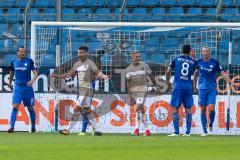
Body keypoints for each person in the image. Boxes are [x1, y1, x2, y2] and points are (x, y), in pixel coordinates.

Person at [52, 45, 108, 136]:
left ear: (86, 53)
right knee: (87, 110)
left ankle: (67, 129)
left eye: (81, 53)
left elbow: (98, 72)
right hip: (81, 90)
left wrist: (104, 76)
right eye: (78, 53)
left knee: (76, 108)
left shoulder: (90, 63)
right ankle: (96, 130)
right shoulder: (77, 64)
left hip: (87, 90)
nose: (79, 54)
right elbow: (69, 75)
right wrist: (58, 76)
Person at [193, 46, 236, 136]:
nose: (205, 52)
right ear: (202, 52)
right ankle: (204, 131)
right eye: (204, 51)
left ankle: (211, 123)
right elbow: (195, 73)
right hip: (202, 89)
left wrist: (230, 81)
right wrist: (194, 86)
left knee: (211, 107)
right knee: (202, 109)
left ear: (209, 52)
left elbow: (222, 73)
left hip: (212, 88)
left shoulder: (215, 62)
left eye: (207, 51)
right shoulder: (198, 62)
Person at [126, 50, 159, 136]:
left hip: (143, 90)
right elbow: (129, 85)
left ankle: (136, 129)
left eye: (139, 57)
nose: (138, 58)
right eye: (136, 57)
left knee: (138, 108)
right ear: (132, 57)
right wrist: (130, 97)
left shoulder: (144, 66)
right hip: (135, 92)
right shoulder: (128, 69)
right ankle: (147, 130)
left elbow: (151, 76)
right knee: (141, 110)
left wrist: (155, 85)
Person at [165, 44, 196, 136]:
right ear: (190, 51)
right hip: (188, 87)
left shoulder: (176, 59)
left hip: (178, 86)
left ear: (181, 50)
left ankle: (176, 132)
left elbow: (167, 72)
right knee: (188, 109)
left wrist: (167, 81)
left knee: (175, 108)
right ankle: (188, 132)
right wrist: (193, 57)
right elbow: (196, 71)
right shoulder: (192, 61)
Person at [8, 46, 38, 133]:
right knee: (15, 106)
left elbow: (36, 72)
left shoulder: (29, 61)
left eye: (24, 51)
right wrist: (10, 83)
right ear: (18, 53)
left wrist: (32, 81)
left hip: (27, 88)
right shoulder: (13, 62)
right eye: (21, 51)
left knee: (30, 108)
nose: (23, 53)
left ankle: (33, 127)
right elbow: (11, 73)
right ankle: (12, 127)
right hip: (18, 88)